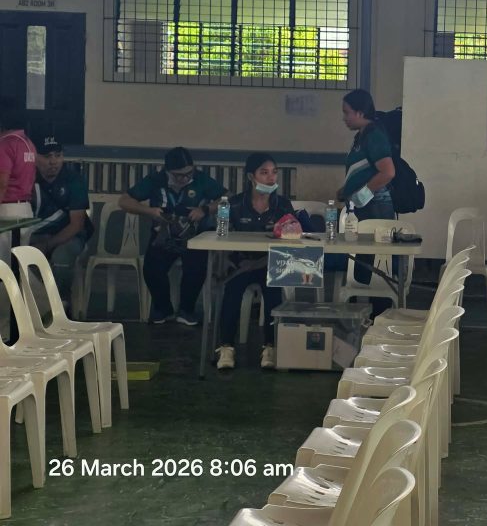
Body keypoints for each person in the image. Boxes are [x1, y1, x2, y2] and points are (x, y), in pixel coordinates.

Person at [119, 147, 226, 325]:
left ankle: (187, 310)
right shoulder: (156, 180)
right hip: (164, 236)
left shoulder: (201, 179)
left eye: (188, 173)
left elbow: (227, 198)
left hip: (194, 237)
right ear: (167, 171)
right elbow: (124, 201)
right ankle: (163, 308)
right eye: (178, 175)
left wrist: (205, 209)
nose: (184, 178)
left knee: (196, 267)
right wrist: (149, 211)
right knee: (152, 268)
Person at [215, 153, 294, 371]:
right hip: (240, 264)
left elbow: (293, 239)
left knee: (273, 292)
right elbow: (222, 239)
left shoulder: (283, 205)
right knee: (232, 291)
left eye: (274, 172)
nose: (271, 178)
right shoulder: (234, 205)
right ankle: (226, 347)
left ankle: (270, 347)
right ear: (251, 176)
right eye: (264, 172)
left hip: (271, 263)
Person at [339, 90, 396, 305]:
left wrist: (363, 194)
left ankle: (380, 312)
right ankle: (360, 309)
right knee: (363, 259)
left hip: (376, 206)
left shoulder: (374, 135)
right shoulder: (361, 136)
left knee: (377, 261)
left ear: (360, 112)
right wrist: (346, 190)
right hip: (363, 205)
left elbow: (388, 172)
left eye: (347, 112)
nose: (344, 117)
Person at [26, 134, 93, 314]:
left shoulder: (74, 180)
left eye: (58, 155)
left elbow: (76, 225)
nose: (53, 161)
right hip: (36, 235)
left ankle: (61, 308)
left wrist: (47, 245)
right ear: (35, 157)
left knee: (61, 257)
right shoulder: (27, 178)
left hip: (70, 236)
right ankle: (33, 309)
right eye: (47, 156)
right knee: (20, 256)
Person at [0, 97, 38, 263]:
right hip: (25, 210)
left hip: (6, 212)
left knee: (4, 266)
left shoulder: (5, 144)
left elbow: (2, 183)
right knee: (20, 265)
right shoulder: (28, 144)